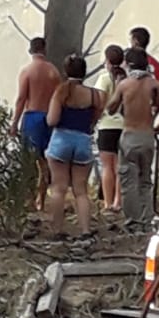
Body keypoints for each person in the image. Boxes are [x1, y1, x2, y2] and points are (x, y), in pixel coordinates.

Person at [46, 54, 103, 238]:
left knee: (58, 188)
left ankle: (57, 229)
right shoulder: (95, 94)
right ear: (85, 72)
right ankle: (85, 230)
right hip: (83, 140)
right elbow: (94, 119)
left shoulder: (61, 91)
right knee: (81, 190)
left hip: (61, 139)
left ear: (65, 71)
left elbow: (52, 120)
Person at [108, 47, 159, 231]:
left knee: (128, 181)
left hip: (129, 135)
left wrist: (117, 85)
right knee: (145, 179)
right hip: (147, 135)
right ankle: (147, 219)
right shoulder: (155, 84)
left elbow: (111, 108)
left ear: (129, 63)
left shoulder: (125, 84)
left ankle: (133, 221)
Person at [10, 37, 61, 212]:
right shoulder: (54, 72)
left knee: (30, 161)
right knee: (45, 161)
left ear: (30, 51)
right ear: (45, 50)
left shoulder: (28, 71)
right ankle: (41, 199)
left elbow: (21, 99)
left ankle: (30, 199)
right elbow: (59, 97)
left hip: (32, 116)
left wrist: (14, 123)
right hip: (50, 117)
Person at [94, 45, 126, 211]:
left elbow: (99, 103)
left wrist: (95, 120)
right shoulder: (126, 79)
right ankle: (117, 202)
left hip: (106, 126)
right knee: (119, 167)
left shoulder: (104, 79)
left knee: (107, 167)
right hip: (124, 126)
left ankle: (107, 203)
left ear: (107, 60)